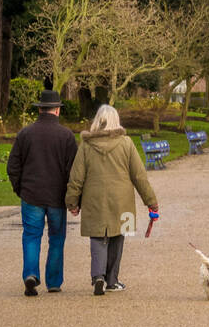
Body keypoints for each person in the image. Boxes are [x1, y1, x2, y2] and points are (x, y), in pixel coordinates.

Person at [65, 104, 159, 295]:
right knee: (119, 237)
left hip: (94, 199)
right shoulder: (126, 143)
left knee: (98, 237)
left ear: (97, 121)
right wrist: (151, 201)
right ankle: (112, 280)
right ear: (116, 121)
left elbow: (76, 177)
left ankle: (98, 275)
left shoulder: (86, 146)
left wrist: (72, 202)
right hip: (122, 200)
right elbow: (139, 176)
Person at [6, 89, 78, 296]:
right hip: (56, 197)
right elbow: (73, 171)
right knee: (56, 238)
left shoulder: (25, 133)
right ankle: (53, 281)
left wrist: (20, 189)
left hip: (31, 195)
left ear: (40, 109)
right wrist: (73, 199)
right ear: (57, 110)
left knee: (31, 236)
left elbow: (13, 166)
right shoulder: (66, 136)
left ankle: (30, 274)